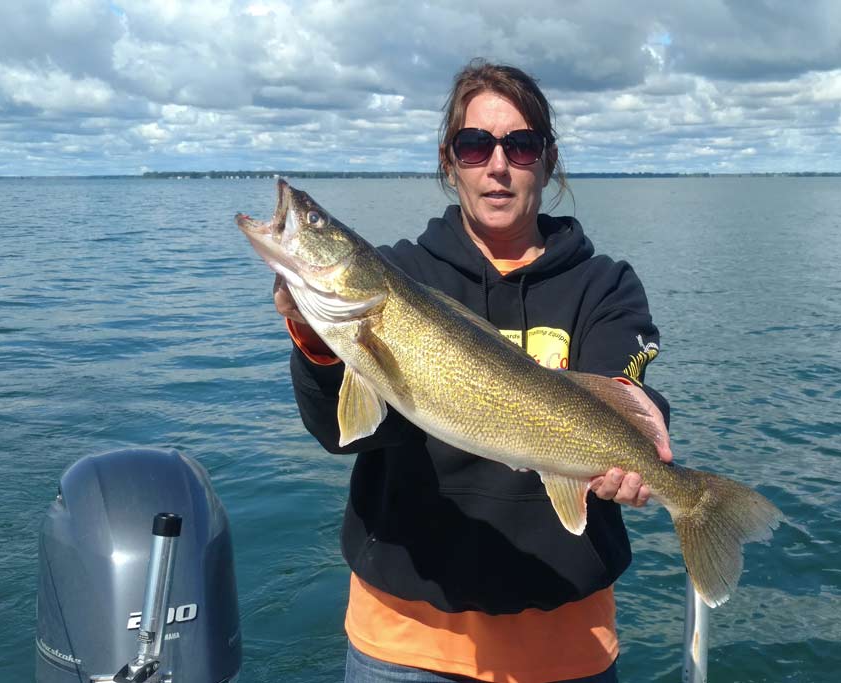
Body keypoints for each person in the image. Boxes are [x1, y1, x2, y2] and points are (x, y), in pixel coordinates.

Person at [273, 59, 673, 683]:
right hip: (402, 643)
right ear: (449, 160)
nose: (497, 164)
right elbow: (342, 430)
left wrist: (640, 425)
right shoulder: (399, 276)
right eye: (474, 144)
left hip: (567, 644)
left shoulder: (606, 286)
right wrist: (316, 338)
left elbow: (622, 385)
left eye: (520, 144)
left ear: (547, 158)